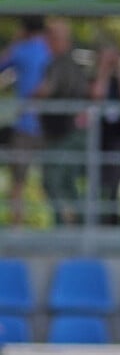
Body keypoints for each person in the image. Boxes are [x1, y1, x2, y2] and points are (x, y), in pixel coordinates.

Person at [32, 20, 90, 226]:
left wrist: (30, 101)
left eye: (49, 38)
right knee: (66, 183)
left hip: (65, 136)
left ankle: (68, 228)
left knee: (54, 181)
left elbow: (44, 90)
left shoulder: (58, 64)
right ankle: (76, 228)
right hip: (68, 134)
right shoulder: (74, 65)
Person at [0, 15, 51, 225]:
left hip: (27, 127)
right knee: (54, 181)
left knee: (18, 182)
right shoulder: (51, 50)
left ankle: (16, 229)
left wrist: (15, 41)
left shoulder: (22, 50)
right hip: (52, 127)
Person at [88, 41, 120, 225]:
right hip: (100, 133)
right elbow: (97, 94)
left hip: (118, 133)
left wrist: (118, 68)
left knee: (116, 176)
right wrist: (103, 69)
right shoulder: (93, 77)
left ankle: (113, 216)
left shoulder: (118, 79)